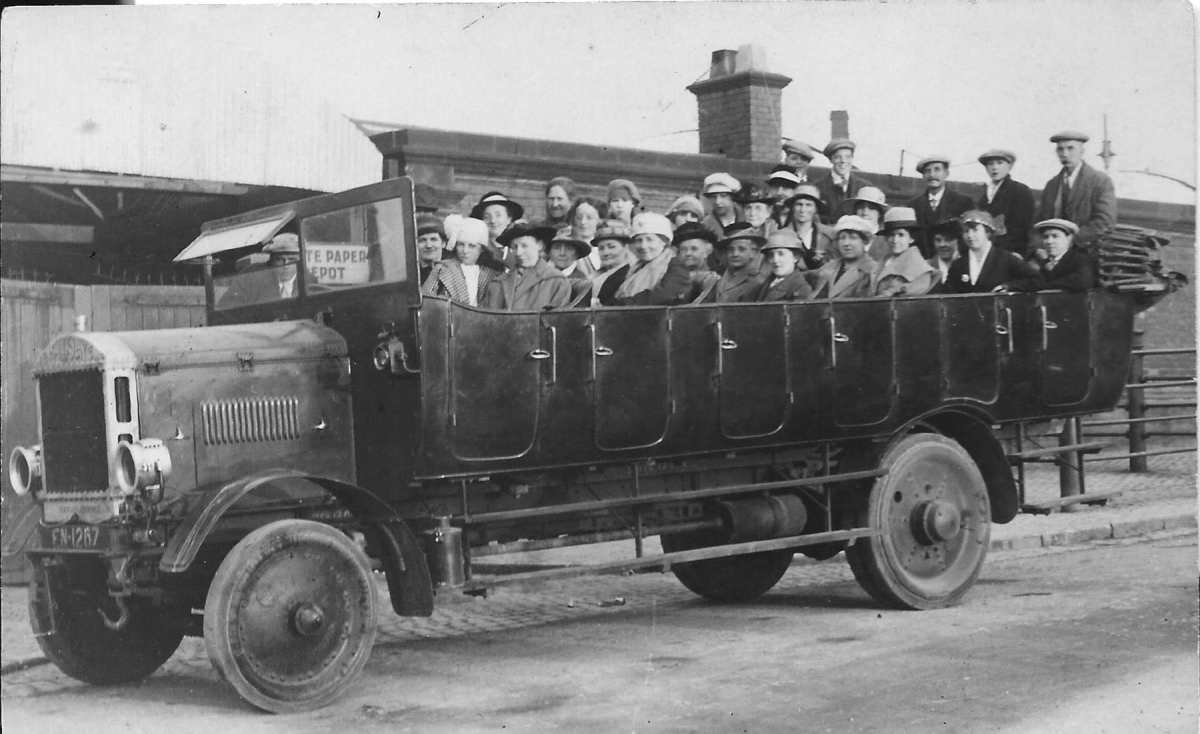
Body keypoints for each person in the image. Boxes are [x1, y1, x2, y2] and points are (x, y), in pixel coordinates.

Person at [1038, 131, 1117, 248]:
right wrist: (1037, 249)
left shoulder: (1100, 181)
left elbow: (1105, 222)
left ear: (1082, 152)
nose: (1065, 154)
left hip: (1086, 250)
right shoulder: (1052, 185)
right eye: (1060, 149)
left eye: (1070, 148)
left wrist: (1069, 242)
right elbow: (1040, 221)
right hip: (1053, 251)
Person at [944, 210, 1040, 293]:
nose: (970, 235)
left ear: (987, 232)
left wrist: (1009, 286)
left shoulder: (1005, 259)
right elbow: (948, 293)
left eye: (975, 230)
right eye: (966, 231)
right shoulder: (958, 265)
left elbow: (1037, 279)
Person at [484, 222, 571, 311]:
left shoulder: (556, 281)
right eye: (514, 247)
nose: (518, 252)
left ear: (539, 245)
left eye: (525, 246)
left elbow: (559, 320)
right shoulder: (498, 283)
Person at [612, 213, 690, 306]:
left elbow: (664, 296)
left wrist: (622, 305)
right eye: (638, 240)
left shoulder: (675, 266)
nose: (643, 246)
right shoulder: (636, 268)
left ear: (664, 242)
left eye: (650, 239)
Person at [422, 217, 501, 307]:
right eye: (461, 245)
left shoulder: (492, 274)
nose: (465, 251)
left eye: (471, 246)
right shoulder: (442, 269)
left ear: (482, 249)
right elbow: (425, 299)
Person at [906, 155, 974, 258]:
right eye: (927, 171)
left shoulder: (963, 202)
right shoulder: (913, 205)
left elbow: (968, 235)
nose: (932, 174)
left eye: (937, 169)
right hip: (921, 263)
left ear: (946, 173)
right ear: (923, 176)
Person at [218, 232, 310, 307]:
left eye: (292, 260)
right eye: (280, 260)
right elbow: (226, 306)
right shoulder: (252, 276)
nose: (286, 265)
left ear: (301, 262)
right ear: (271, 261)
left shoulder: (307, 279)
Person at [1004, 219, 1096, 293]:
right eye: (1046, 237)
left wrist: (1042, 285)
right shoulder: (1039, 264)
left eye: (1055, 236)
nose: (1049, 241)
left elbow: (1082, 281)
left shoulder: (1080, 260)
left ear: (1069, 238)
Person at [976, 149, 1037, 258]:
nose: (994, 167)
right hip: (988, 252)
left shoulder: (1020, 190)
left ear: (1010, 166)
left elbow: (1022, 228)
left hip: (1012, 252)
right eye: (990, 164)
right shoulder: (985, 195)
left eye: (1000, 163)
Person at [868, 207, 937, 297]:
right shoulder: (882, 262)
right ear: (886, 238)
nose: (895, 240)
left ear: (911, 238)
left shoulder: (919, 267)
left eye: (901, 235)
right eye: (891, 235)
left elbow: (915, 291)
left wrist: (890, 292)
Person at [809, 215, 877, 299]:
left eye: (853, 238)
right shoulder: (829, 268)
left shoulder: (872, 272)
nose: (846, 243)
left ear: (865, 242)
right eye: (842, 238)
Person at [813, 139, 873, 222]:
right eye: (837, 157)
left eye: (847, 157)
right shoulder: (818, 187)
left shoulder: (864, 186)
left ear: (852, 158)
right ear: (831, 160)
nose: (843, 161)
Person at [781, 184, 836, 271]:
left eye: (808, 205)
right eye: (799, 204)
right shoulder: (782, 236)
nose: (803, 210)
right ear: (793, 207)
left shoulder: (830, 235)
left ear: (815, 209)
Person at [711, 222, 767, 303]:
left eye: (742, 249)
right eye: (731, 249)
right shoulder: (719, 278)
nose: (735, 254)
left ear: (753, 252)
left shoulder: (758, 281)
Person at [470, 191, 525, 270]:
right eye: (487, 217)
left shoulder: (518, 249)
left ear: (509, 218)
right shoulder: (476, 250)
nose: (493, 221)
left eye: (498, 215)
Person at [753, 230, 813, 301]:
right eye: (771, 255)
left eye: (781, 254)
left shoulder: (801, 289)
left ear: (796, 257)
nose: (775, 260)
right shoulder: (764, 285)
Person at [589, 220, 636, 307]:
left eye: (611, 247)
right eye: (601, 248)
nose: (606, 252)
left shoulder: (626, 277)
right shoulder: (598, 275)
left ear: (625, 248)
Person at [673, 222, 720, 302]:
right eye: (684, 250)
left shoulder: (711, 278)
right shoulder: (671, 277)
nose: (688, 253)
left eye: (694, 249)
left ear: (706, 252)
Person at [842, 186, 890, 260]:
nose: (865, 213)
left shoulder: (887, 239)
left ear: (880, 213)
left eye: (871, 208)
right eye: (861, 207)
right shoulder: (844, 236)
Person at [567, 196, 607, 274]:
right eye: (579, 217)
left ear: (600, 221)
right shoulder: (567, 246)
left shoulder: (604, 249)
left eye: (589, 218)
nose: (583, 222)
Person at [700, 172, 743, 241]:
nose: (717, 202)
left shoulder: (747, 219)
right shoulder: (705, 226)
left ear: (732, 197)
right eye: (713, 197)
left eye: (723, 196)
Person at [926, 219, 963, 288]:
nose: (942, 244)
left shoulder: (967, 266)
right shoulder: (926, 267)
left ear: (958, 241)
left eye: (948, 240)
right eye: (938, 240)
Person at [416, 214, 448, 286]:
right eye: (422, 240)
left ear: (443, 243)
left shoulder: (453, 273)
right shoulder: (412, 277)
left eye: (433, 239)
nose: (429, 245)